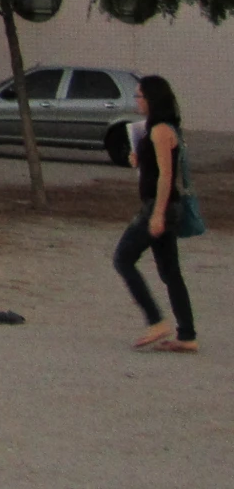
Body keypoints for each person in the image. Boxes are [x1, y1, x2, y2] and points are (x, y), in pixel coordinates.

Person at [113, 74, 197, 352]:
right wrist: (139, 158)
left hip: (159, 206)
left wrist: (158, 214)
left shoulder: (161, 130)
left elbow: (166, 176)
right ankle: (187, 335)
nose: (137, 100)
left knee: (123, 257)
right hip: (161, 206)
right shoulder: (155, 128)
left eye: (140, 96)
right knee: (170, 271)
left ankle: (155, 320)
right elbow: (153, 167)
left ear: (152, 99)